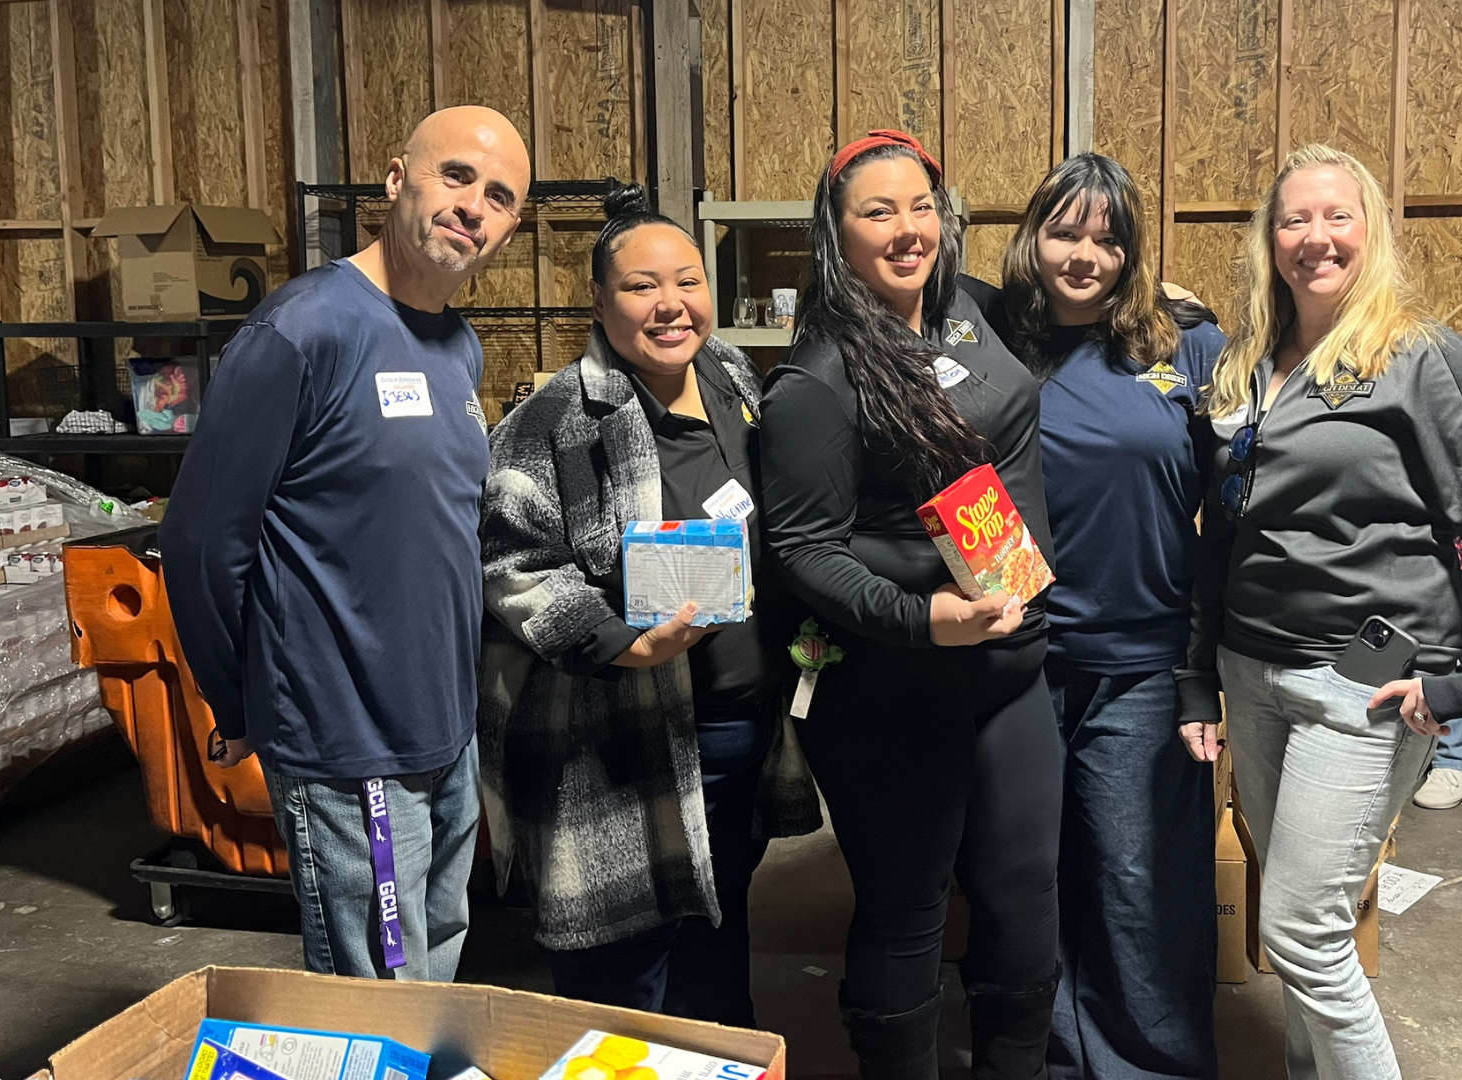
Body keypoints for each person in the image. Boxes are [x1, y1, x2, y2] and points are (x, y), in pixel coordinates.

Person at [1176, 143, 1462, 1079]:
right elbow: (1220, 537)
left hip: (1363, 683)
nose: (1316, 238)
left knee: (1301, 933)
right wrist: (1199, 672)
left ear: (1372, 229)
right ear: (1270, 241)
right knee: (1309, 923)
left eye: (1336, 216)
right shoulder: (1253, 363)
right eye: (1294, 219)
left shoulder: (1418, 356)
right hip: (1251, 675)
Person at [161, 106, 531, 981]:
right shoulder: (302, 331)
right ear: (395, 179)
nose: (475, 205)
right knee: (376, 989)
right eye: (457, 176)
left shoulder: (458, 347)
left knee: (435, 962)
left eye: (501, 196)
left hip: (444, 725)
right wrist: (245, 701)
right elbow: (202, 541)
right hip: (347, 736)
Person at [476, 184, 820, 1026]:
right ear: (599, 300)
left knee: (717, 950)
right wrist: (617, 640)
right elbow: (512, 564)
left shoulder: (733, 377)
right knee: (624, 985)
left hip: (738, 731)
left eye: (688, 281)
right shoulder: (554, 420)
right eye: (640, 286)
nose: (671, 305)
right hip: (616, 745)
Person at [758, 129, 1062, 1080]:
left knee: (1022, 898)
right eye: (876, 212)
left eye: (920, 207)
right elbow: (803, 549)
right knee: (907, 907)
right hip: (895, 685)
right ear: (835, 235)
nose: (906, 230)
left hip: (1012, 672)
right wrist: (921, 618)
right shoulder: (820, 374)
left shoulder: (973, 313)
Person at [989, 153, 1225, 1080]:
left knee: (1140, 886)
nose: (1085, 253)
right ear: (1032, 236)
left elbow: (1232, 518)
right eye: (1065, 230)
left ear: (1134, 251)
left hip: (1144, 667)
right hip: (1020, 659)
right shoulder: (987, 339)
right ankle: (1051, 1060)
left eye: (1108, 236)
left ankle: (1151, 1065)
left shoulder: (1182, 347)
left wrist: (1202, 667)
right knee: (1032, 884)